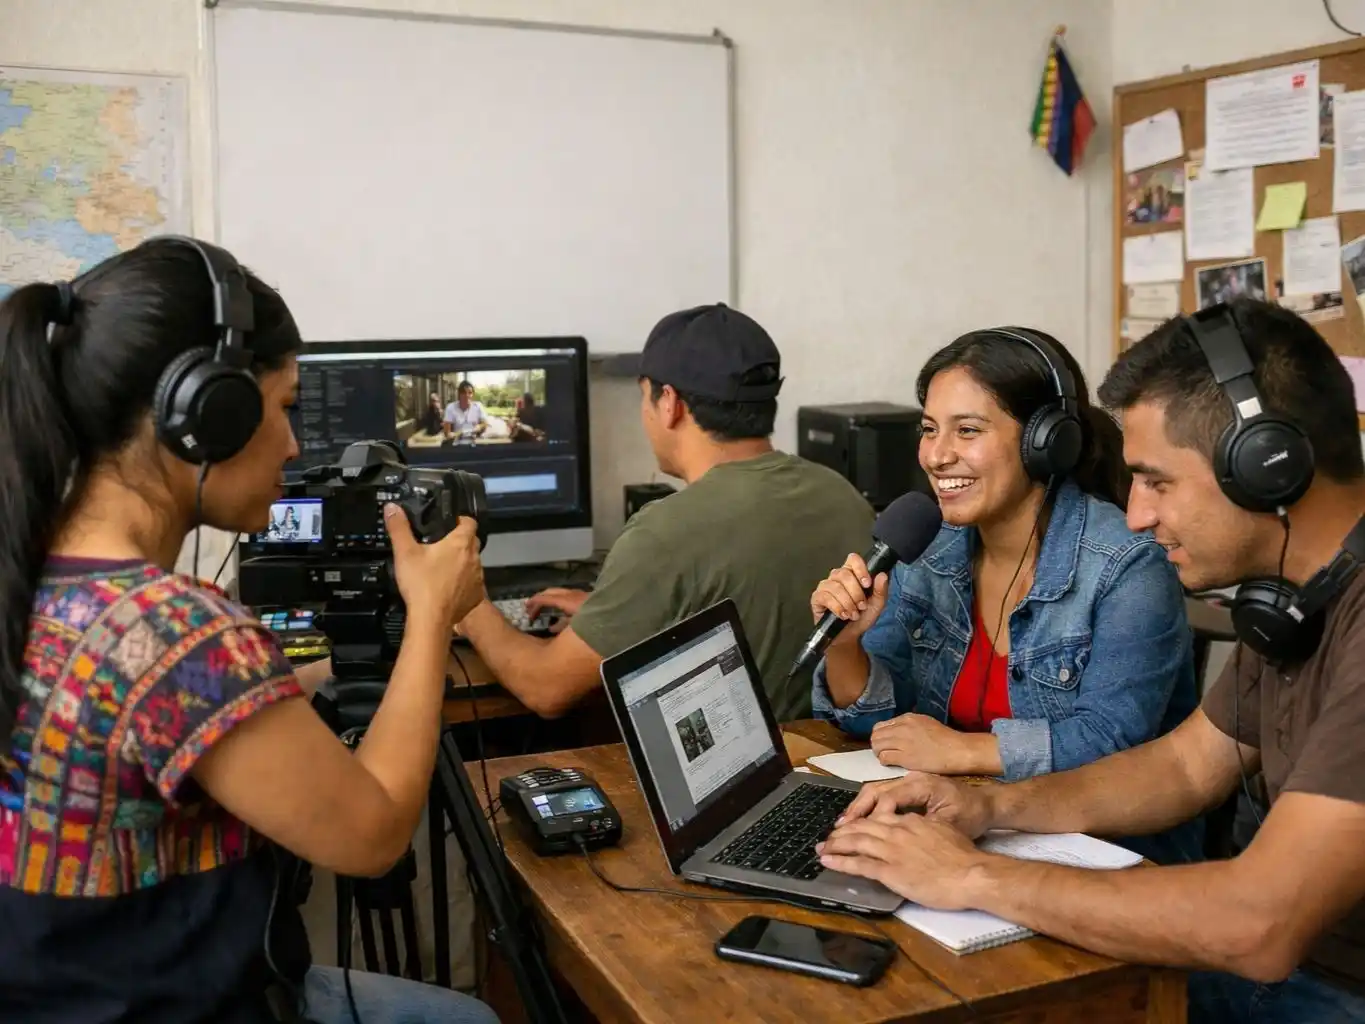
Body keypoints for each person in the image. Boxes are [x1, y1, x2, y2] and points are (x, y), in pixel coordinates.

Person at [817, 299, 1365, 1024]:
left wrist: (973, 874)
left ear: (1266, 465)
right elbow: (1183, 766)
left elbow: (1255, 924)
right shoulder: (1299, 602)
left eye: (1158, 481)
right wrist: (986, 806)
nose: (1135, 513)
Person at [0, 237, 499, 1024]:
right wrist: (434, 613)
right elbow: (372, 837)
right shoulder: (179, 632)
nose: (296, 445)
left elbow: (148, 722)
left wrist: (303, 679)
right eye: (283, 406)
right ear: (207, 413)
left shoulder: (34, 579)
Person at [809, 327, 1199, 863]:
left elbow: (1116, 746)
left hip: (1101, 852)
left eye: (967, 430)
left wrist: (962, 750)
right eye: (929, 429)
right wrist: (845, 645)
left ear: (1046, 441)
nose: (938, 456)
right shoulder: (930, 547)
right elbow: (879, 725)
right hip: (963, 831)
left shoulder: (1126, 563)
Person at [455, 303, 874, 721]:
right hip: (833, 769)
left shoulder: (667, 531)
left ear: (669, 402)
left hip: (729, 783)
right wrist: (619, 616)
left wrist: (466, 605)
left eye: (644, 397)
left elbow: (544, 688)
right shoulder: (844, 496)